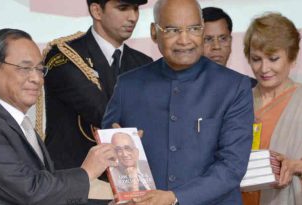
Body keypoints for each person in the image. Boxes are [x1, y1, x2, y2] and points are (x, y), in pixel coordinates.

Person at [102, 0, 254, 204]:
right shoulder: (128, 86)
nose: (184, 40)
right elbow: (108, 150)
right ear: (154, 33)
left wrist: (175, 198)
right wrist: (114, 146)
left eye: (193, 29)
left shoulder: (234, 87)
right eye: (172, 30)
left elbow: (232, 167)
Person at [0, 28, 117, 205]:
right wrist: (87, 171)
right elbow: (32, 192)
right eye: (25, 68)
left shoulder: (22, 125)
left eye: (39, 69)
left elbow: (51, 197)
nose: (37, 79)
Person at [42, 0, 152, 174]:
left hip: (127, 182)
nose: (132, 17)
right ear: (96, 11)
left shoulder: (143, 63)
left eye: (136, 9)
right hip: (74, 182)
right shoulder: (64, 56)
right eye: (123, 8)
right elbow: (102, 111)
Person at [241, 12, 302, 205]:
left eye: (273, 58)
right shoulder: (238, 102)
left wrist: (296, 166)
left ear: (292, 58)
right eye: (256, 59)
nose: (264, 68)